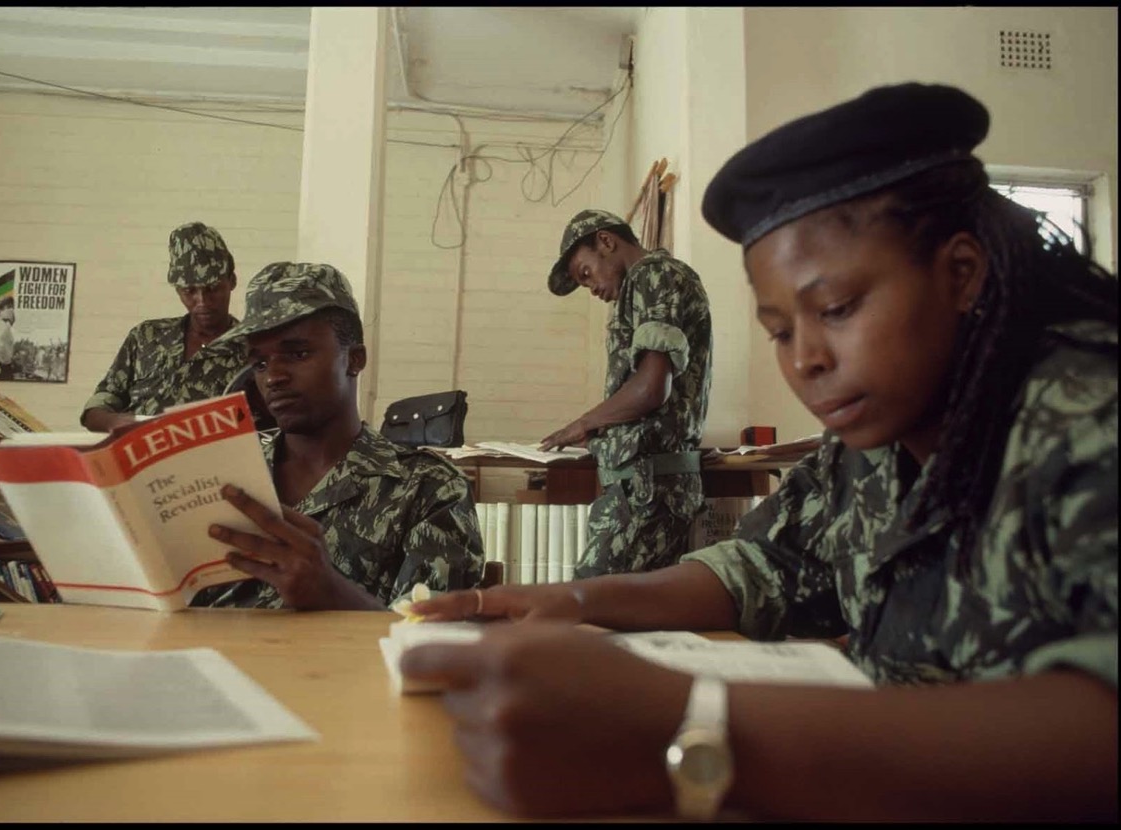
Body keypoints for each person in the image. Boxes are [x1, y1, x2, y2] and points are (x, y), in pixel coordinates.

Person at [399, 82, 1118, 821]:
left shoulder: (1087, 418)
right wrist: (575, 600)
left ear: (960, 274)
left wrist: (693, 727)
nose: (805, 359)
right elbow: (760, 565)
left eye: (836, 309)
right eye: (779, 331)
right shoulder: (864, 454)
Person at [190, 262, 485, 610]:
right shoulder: (228, 481)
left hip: (360, 650)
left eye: (298, 354)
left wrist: (332, 592)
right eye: (260, 364)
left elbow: (430, 634)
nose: (273, 378)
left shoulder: (428, 487)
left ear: (354, 360)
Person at [539, 209, 713, 577]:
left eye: (586, 273)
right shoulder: (643, 286)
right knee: (634, 607)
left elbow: (651, 389)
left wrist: (584, 424)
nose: (592, 288)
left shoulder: (653, 275)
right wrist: (604, 431)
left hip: (648, 489)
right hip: (646, 486)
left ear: (605, 241)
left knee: (589, 596)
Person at [80, 221, 249, 432]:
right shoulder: (147, 337)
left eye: (212, 289)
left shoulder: (251, 349)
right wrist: (111, 421)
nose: (202, 301)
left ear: (232, 281)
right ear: (178, 290)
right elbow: (100, 404)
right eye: (189, 291)